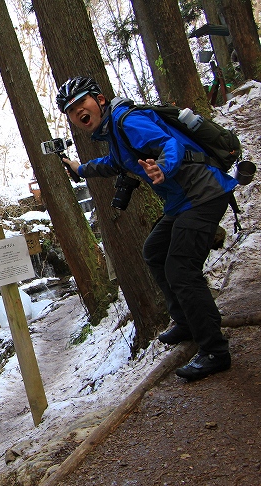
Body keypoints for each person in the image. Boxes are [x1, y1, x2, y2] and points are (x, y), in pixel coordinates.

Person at [56, 76, 238, 381]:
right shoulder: (113, 130)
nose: (78, 112)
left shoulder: (128, 121)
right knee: (154, 251)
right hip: (183, 201)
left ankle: (215, 351)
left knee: (182, 269)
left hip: (203, 192)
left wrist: (163, 168)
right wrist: (81, 168)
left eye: (81, 103)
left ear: (99, 100)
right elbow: (115, 163)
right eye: (72, 111)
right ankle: (187, 322)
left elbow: (170, 144)